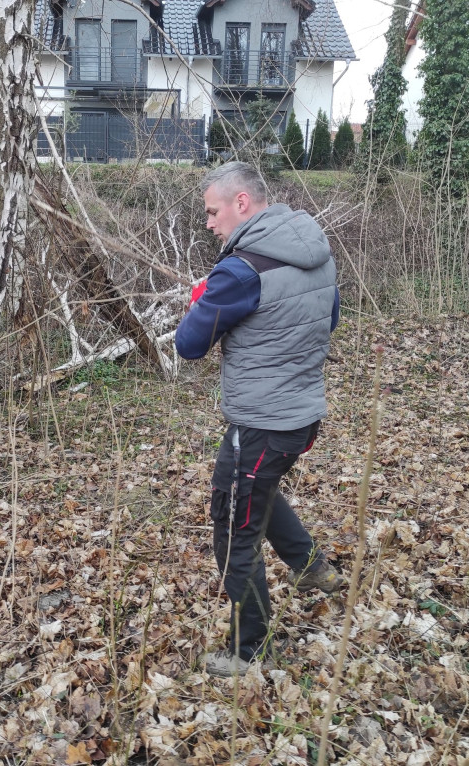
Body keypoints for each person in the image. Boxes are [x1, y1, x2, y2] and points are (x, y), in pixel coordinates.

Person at [175, 161, 344, 678]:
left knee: (233, 526)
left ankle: (252, 651)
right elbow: (328, 317)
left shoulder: (239, 272)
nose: (208, 223)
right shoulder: (314, 252)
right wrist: (219, 295)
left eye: (212, 211)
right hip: (300, 418)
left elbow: (189, 345)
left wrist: (203, 302)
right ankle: (311, 566)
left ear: (241, 203)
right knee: (258, 490)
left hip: (262, 421)